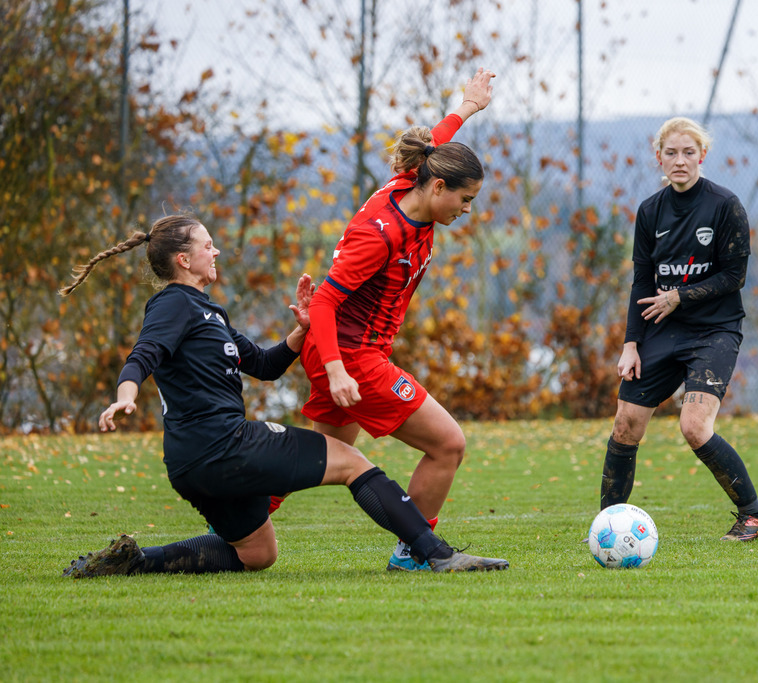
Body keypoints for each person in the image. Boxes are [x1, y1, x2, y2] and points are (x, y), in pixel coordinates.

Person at [57, 214, 508, 577]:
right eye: (206, 244)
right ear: (182, 260)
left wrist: (301, 331)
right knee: (353, 463)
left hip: (190, 463)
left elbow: (263, 366)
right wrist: (125, 394)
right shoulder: (173, 303)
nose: (215, 250)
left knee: (257, 553)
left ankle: (135, 561)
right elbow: (144, 353)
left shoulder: (207, 311)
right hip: (222, 446)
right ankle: (436, 553)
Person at [298, 68, 500, 571]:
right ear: (436, 187)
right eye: (465, 199)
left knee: (315, 458)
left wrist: (468, 106)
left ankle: (231, 523)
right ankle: (415, 553)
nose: (467, 210)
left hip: (338, 353)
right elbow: (323, 302)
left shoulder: (412, 184)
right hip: (351, 357)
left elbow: (437, 142)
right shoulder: (383, 234)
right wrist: (340, 368)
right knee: (448, 444)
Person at [599, 116, 758, 542]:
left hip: (715, 331)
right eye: (671, 153)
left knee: (694, 425)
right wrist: (631, 344)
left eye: (689, 153)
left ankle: (753, 515)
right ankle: (607, 524)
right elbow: (642, 282)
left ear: (702, 156)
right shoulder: (650, 210)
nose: (680, 161)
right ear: (659, 157)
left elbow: (734, 276)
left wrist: (680, 295)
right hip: (661, 332)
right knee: (625, 424)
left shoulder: (725, 205)